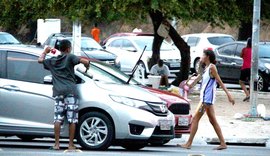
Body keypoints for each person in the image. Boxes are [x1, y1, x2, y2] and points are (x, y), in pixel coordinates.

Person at [38, 40, 90, 150]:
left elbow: (40, 60)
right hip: (70, 92)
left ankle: (56, 144)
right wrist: (87, 66)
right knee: (72, 119)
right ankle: (70, 145)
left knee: (57, 119)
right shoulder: (70, 57)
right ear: (68, 49)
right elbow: (84, 61)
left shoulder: (52, 61)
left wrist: (45, 51)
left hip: (58, 93)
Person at [178, 50, 235, 150]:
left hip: (206, 100)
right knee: (212, 120)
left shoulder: (212, 68)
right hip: (205, 99)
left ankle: (189, 143)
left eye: (203, 55)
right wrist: (188, 82)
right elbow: (193, 83)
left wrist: (228, 94)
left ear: (208, 56)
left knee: (195, 119)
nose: (201, 56)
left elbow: (219, 81)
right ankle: (223, 143)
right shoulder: (205, 69)